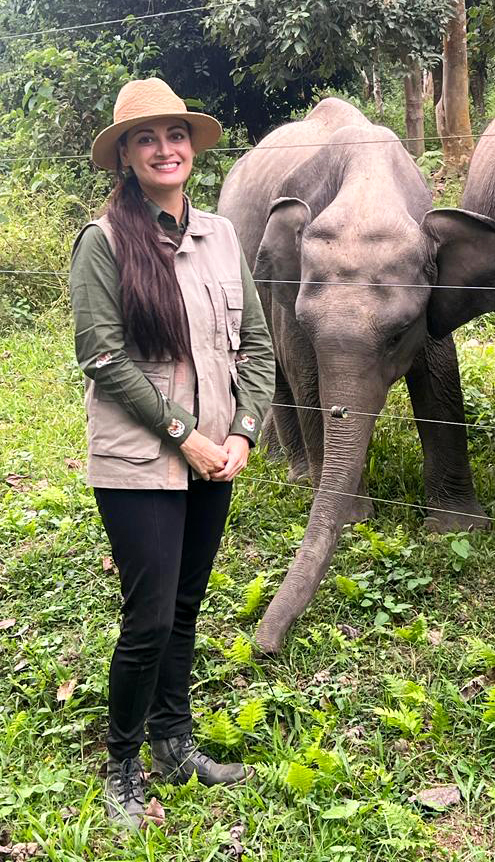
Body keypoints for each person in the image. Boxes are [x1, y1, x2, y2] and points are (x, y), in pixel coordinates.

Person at [69, 78, 275, 829]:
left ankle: (173, 741)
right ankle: (123, 763)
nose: (166, 148)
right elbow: (101, 356)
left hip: (217, 454)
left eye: (176, 135)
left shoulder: (221, 235)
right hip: (138, 463)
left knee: (186, 608)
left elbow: (256, 345)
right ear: (125, 155)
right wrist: (184, 435)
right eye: (147, 138)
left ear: (192, 147)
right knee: (149, 617)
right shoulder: (105, 242)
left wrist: (243, 432)